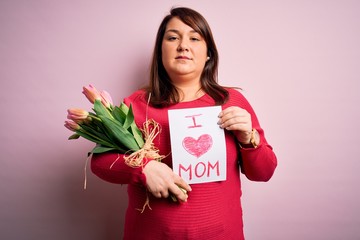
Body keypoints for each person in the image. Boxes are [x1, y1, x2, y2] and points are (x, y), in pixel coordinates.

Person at [91, 7, 277, 240]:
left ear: (209, 52)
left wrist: (249, 139)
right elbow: (99, 162)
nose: (183, 45)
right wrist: (143, 168)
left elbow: (264, 172)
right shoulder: (136, 104)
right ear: (160, 51)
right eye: (172, 37)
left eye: (194, 38)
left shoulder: (231, 102)